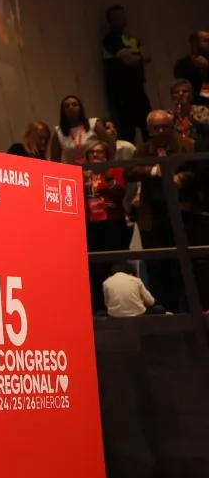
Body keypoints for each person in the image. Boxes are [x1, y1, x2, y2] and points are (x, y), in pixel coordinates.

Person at [131, 110, 202, 313]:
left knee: (189, 265)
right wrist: (151, 171)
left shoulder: (186, 144)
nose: (161, 130)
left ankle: (194, 311)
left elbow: (200, 173)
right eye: (156, 127)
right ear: (149, 130)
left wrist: (181, 178)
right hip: (154, 216)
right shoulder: (143, 149)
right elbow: (128, 171)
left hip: (183, 213)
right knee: (160, 267)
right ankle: (165, 310)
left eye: (165, 126)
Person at [82, 140, 129, 311]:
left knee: (115, 265)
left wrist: (108, 178)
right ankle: (97, 307)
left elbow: (120, 193)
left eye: (100, 152)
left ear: (107, 155)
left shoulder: (114, 170)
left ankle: (118, 305)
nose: (96, 155)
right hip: (90, 225)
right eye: (92, 152)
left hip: (112, 224)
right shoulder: (80, 173)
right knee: (94, 268)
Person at [100, 6, 151, 142]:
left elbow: (147, 56)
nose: (121, 19)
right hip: (121, 95)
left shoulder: (132, 39)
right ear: (110, 20)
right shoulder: (110, 40)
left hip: (139, 91)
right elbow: (130, 59)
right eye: (117, 17)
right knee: (127, 133)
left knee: (149, 127)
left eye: (122, 16)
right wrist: (137, 56)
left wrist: (135, 57)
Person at [50, 95, 96, 163]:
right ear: (63, 111)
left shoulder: (93, 124)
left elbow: (109, 144)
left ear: (80, 108)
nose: (70, 107)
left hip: (95, 168)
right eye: (67, 106)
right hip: (71, 171)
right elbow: (55, 161)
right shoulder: (58, 132)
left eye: (74, 105)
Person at [168, 80, 209, 146]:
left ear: (191, 95)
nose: (180, 94)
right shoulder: (167, 115)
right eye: (176, 92)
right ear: (172, 96)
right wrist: (175, 118)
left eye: (185, 91)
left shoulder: (202, 110)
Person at [172, 30, 209, 103]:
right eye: (206, 41)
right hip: (196, 107)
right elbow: (184, 89)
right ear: (195, 44)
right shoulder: (182, 65)